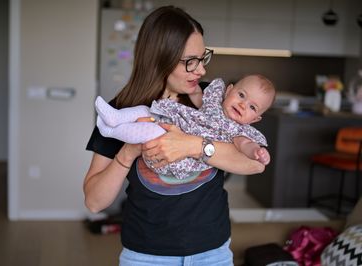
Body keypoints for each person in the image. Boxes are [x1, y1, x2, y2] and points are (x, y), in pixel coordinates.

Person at [84, 6, 266, 266]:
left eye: (203, 58)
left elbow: (256, 162)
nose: (201, 70)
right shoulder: (120, 113)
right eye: (191, 61)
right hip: (146, 257)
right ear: (160, 57)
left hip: (212, 253)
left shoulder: (213, 101)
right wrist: (128, 152)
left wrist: (193, 145)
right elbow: (94, 202)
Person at [95, 75, 275, 182]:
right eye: (241, 95)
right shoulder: (213, 102)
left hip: (173, 158)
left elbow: (245, 146)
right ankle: (116, 118)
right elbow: (196, 94)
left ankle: (111, 132)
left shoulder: (238, 131)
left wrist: (257, 151)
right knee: (146, 111)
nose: (243, 105)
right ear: (228, 91)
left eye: (252, 107)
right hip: (172, 124)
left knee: (153, 132)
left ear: (255, 119)